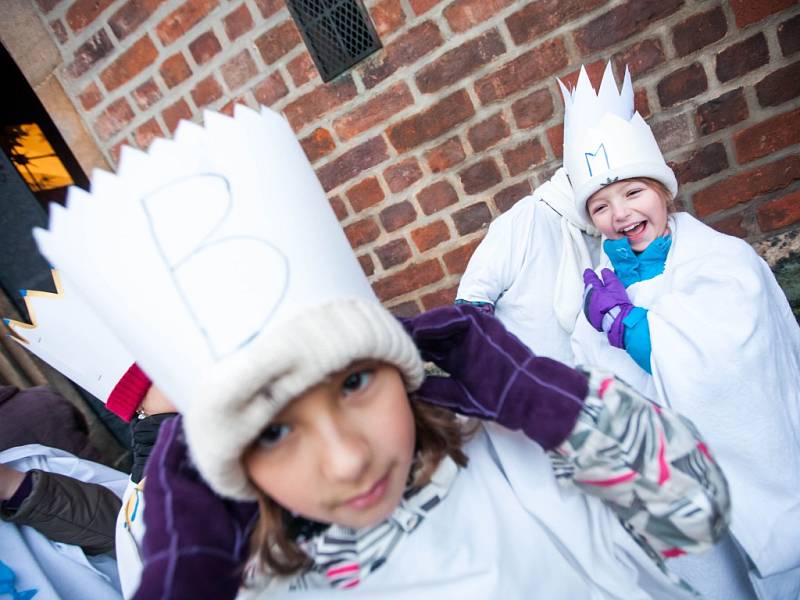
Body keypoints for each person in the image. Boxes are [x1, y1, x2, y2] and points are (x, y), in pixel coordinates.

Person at [33, 104, 731, 599]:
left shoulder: (507, 454)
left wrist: (536, 395)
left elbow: (694, 510)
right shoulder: (266, 584)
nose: (347, 457)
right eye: (273, 431)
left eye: (355, 382)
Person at [564, 62, 800, 599]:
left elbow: (726, 363)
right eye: (600, 206)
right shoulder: (602, 291)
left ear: (663, 191)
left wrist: (628, 324)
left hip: (755, 483)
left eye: (632, 193)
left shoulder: (723, 261)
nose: (619, 214)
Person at [455, 167, 600, 365]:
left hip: (590, 382)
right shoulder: (527, 217)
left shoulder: (610, 228)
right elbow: (473, 300)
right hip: (527, 379)